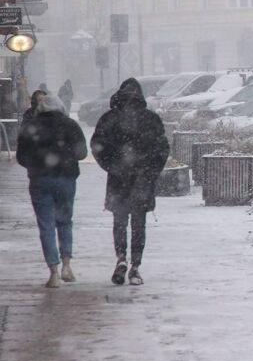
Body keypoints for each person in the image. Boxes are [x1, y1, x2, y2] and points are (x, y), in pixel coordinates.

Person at [89, 78, 169, 286]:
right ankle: (136, 266)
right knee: (139, 223)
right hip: (143, 179)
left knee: (120, 221)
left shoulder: (110, 118)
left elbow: (98, 146)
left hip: (118, 180)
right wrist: (151, 172)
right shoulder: (151, 119)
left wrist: (112, 167)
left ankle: (121, 257)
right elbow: (162, 149)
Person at [16, 94, 88, 288]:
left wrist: (37, 164)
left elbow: (21, 157)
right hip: (65, 178)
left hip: (40, 180)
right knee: (65, 221)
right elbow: (82, 153)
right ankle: (67, 265)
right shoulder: (70, 125)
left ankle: (53, 272)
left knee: (46, 224)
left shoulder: (31, 126)